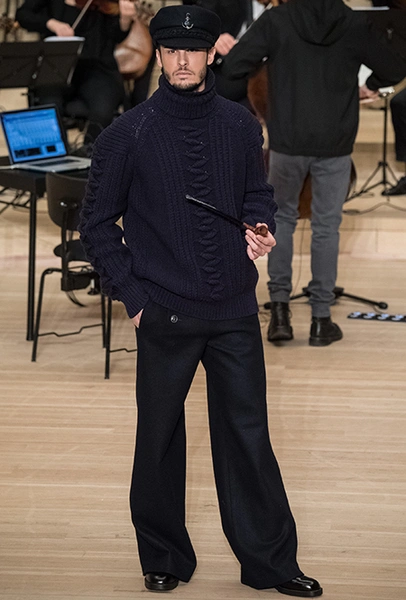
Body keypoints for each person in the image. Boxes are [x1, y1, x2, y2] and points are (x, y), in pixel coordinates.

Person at [79, 4, 323, 597]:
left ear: (212, 52)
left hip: (234, 308)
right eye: (171, 50)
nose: (182, 60)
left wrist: (259, 228)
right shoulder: (128, 133)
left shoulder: (240, 125)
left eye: (193, 50)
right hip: (163, 308)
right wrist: (133, 297)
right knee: (159, 438)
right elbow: (96, 224)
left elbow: (256, 194)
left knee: (248, 437)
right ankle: (163, 556)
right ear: (160, 56)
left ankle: (271, 564)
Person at [223, 0, 406, 346]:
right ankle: (321, 320)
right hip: (335, 143)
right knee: (326, 227)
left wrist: (269, 65)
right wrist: (371, 83)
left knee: (281, 221)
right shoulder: (352, 22)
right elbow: (395, 68)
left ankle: (279, 313)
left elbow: (234, 65)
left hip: (287, 141)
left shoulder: (277, 20)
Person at [15, 0, 137, 147]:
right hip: (56, 67)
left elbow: (116, 35)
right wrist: (51, 23)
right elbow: (23, 15)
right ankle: (60, 152)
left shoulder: (103, 4)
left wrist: (125, 20)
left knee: (103, 109)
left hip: (97, 68)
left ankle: (90, 152)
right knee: (49, 105)